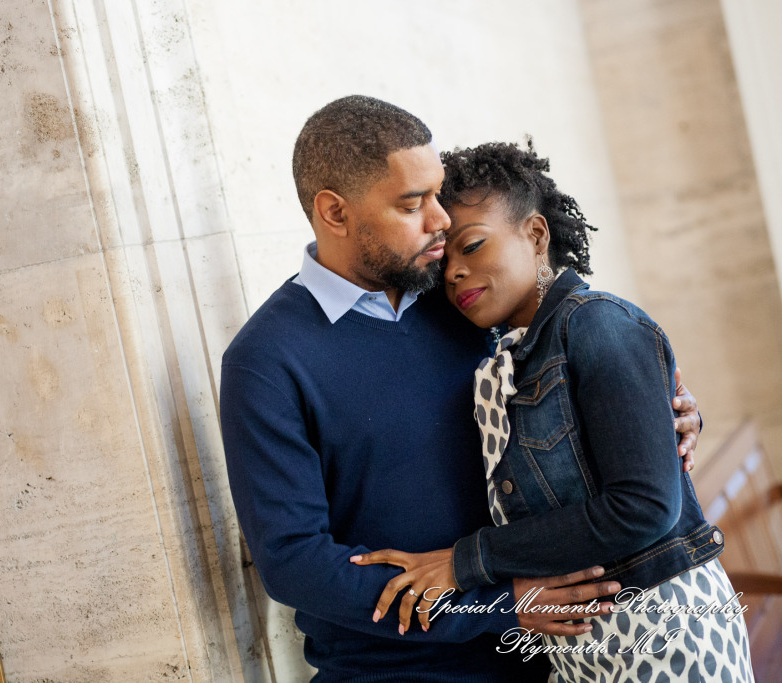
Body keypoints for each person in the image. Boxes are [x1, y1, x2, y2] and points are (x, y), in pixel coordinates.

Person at [220, 96, 701, 681]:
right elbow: (295, 563)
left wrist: (664, 416)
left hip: (564, 659)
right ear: (334, 213)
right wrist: (500, 607)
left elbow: (583, 393)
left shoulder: (466, 302)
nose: (441, 220)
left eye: (438, 195)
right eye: (412, 204)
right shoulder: (266, 360)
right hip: (403, 671)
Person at [351, 141, 752, 681]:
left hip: (667, 632)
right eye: (446, 262)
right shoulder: (509, 356)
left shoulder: (596, 324)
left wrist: (466, 562)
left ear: (536, 234)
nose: (454, 274)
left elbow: (645, 507)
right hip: (581, 646)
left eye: (472, 247)